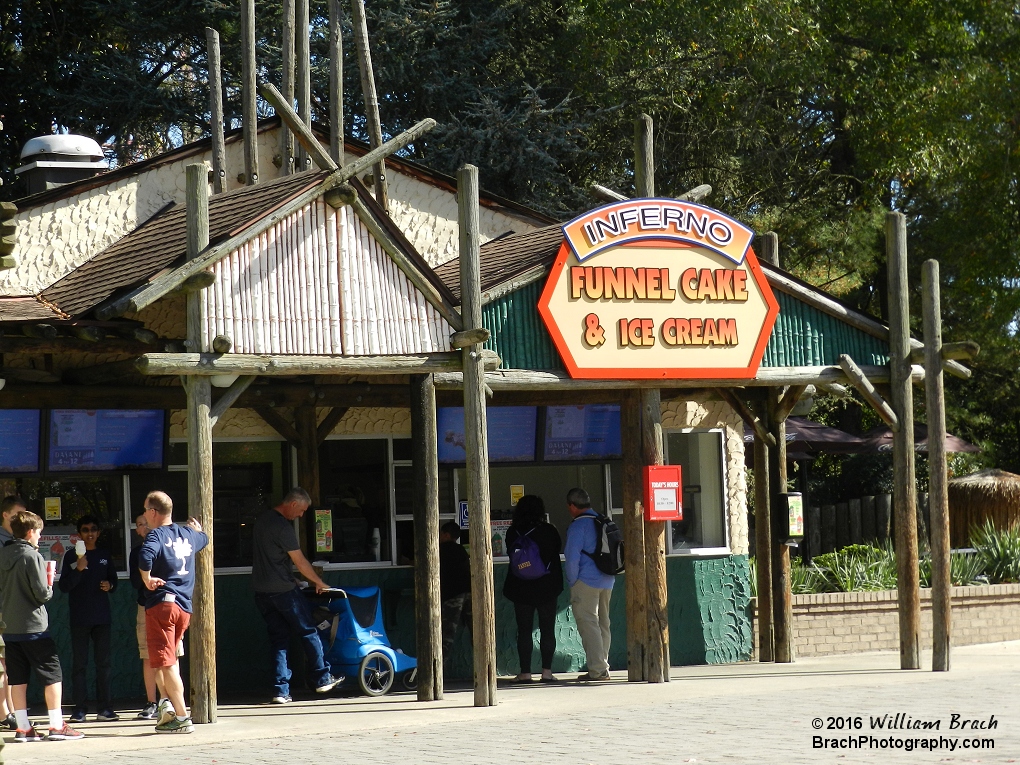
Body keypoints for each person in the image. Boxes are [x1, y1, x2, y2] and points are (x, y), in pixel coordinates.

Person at [252, 488, 342, 704]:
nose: (301, 515)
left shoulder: (261, 521)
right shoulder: (282, 527)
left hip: (262, 592)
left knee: (279, 640)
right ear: (292, 504)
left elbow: (271, 561)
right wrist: (318, 582)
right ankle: (321, 678)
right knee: (308, 632)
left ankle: (280, 691)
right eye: (301, 510)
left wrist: (292, 578)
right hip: (283, 592)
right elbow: (300, 561)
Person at [0, 509, 83, 741]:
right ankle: (57, 725)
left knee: (17, 679)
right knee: (52, 675)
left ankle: (23, 728)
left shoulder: (4, 554)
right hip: (34, 627)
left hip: (11, 627)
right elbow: (42, 594)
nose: (39, 537)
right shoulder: (31, 556)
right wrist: (49, 582)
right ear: (30, 532)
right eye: (38, 533)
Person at [138, 490, 208, 734]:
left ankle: (181, 716)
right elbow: (205, 539)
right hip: (183, 607)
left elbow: (145, 556)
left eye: (146, 509)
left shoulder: (155, 534)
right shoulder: (188, 534)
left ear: (154, 512)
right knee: (167, 659)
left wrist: (147, 579)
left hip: (162, 604)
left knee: (165, 662)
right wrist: (197, 530)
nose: (144, 514)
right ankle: (166, 704)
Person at [59, 515, 119, 723]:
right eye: (85, 530)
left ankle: (105, 708)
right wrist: (79, 568)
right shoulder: (70, 556)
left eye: (94, 529)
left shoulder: (104, 554)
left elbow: (114, 580)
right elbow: (64, 587)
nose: (90, 533)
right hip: (80, 618)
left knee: (104, 664)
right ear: (79, 535)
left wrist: (109, 585)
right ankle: (79, 709)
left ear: (99, 532)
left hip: (102, 617)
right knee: (80, 665)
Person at [502, 495, 563, 683]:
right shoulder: (549, 531)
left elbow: (510, 554)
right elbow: (556, 551)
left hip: (521, 588)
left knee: (524, 630)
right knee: (547, 629)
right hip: (547, 587)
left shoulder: (513, 532)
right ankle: (546, 672)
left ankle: (525, 673)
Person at [129, 512, 183, 721]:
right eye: (141, 525)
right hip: (146, 606)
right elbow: (136, 580)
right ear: (138, 530)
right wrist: (148, 578)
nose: (146, 527)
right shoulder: (138, 553)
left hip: (171, 605)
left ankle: (171, 702)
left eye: (147, 523)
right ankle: (153, 702)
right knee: (149, 655)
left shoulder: (170, 545)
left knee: (172, 655)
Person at [563, 488, 615, 682]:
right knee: (603, 624)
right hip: (608, 579)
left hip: (585, 581)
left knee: (589, 624)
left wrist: (573, 581)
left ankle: (598, 669)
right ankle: (602, 665)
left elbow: (572, 558)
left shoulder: (578, 526)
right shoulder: (603, 520)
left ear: (572, 506)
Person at [0, 496, 25, 731]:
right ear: (5, 515)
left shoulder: (17, 542)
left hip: (8, 612)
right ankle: (4, 713)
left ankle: (8, 712)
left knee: (7, 665)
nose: (21, 520)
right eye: (17, 515)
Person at [438, 521, 471, 666]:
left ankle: (439, 667)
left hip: (452, 595)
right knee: (476, 631)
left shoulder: (440, 550)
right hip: (468, 592)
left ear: (446, 535)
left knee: (447, 634)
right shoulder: (461, 550)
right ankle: (485, 666)